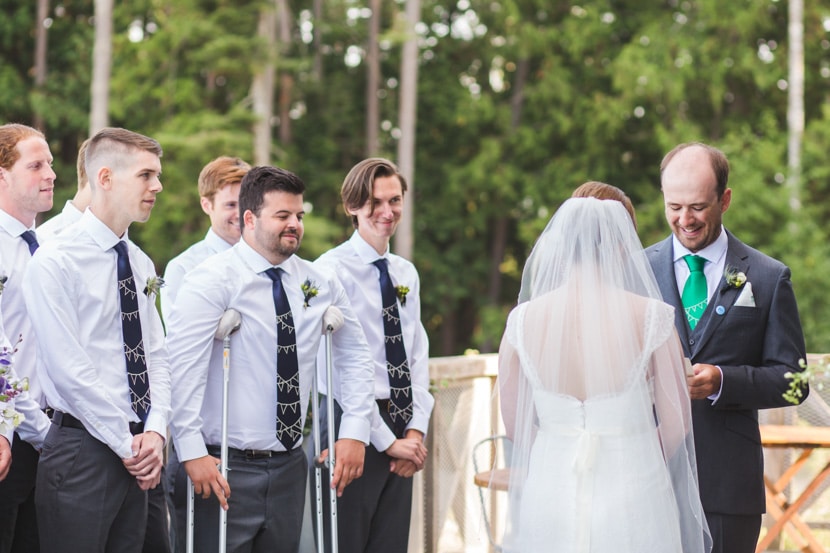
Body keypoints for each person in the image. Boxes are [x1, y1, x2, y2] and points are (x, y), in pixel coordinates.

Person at [166, 165, 375, 553]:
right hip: (221, 465)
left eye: (299, 216)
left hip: (289, 466)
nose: (294, 224)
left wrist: (355, 429)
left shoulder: (319, 281)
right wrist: (191, 451)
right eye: (282, 216)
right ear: (250, 218)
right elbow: (181, 368)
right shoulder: (211, 279)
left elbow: (356, 354)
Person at [499, 196, 711, 552]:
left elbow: (512, 423)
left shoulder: (522, 320)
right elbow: (677, 423)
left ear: (562, 245)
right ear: (619, 244)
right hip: (635, 488)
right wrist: (636, 451)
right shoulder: (652, 317)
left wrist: (557, 449)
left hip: (550, 488)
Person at [645, 142, 807, 553]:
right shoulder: (637, 271)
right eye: (674, 206)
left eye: (698, 207)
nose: (685, 220)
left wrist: (723, 381)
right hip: (646, 478)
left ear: (725, 199)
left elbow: (794, 383)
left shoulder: (769, 278)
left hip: (728, 484)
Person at [23, 127, 171, 553]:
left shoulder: (140, 262)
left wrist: (156, 431)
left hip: (140, 451)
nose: (157, 186)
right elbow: (69, 370)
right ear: (105, 178)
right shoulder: (54, 258)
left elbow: (156, 354)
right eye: (146, 175)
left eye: (157, 175)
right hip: (82, 452)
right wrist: (128, 445)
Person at [313, 158, 432, 552]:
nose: (386, 212)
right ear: (352, 206)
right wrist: (384, 442)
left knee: (391, 545)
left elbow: (416, 355)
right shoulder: (328, 271)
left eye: (394, 200)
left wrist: (413, 433)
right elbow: (330, 370)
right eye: (374, 202)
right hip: (353, 426)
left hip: (401, 425)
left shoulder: (405, 273)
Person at [0, 123, 55, 553]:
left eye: (51, 164)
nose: (50, 174)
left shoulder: (51, 249)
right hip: (8, 438)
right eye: (36, 166)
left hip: (53, 442)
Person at [161, 155, 250, 320]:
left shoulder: (269, 262)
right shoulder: (183, 269)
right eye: (231, 205)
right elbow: (181, 341)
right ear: (206, 205)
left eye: (247, 204)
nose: (241, 214)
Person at [35, 137, 91, 241]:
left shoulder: (129, 249)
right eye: (36, 166)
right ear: (104, 177)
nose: (52, 175)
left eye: (50, 164)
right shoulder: (44, 242)